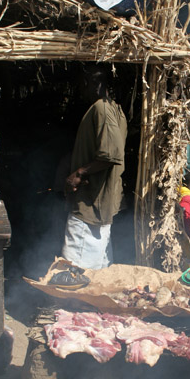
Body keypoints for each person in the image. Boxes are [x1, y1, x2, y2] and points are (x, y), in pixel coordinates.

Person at [61, 65, 127, 270]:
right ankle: (86, 301)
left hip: (91, 204)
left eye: (82, 83)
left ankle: (73, 302)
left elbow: (111, 154)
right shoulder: (114, 109)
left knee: (75, 268)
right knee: (97, 268)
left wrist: (79, 173)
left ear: (89, 82)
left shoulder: (102, 109)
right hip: (97, 205)